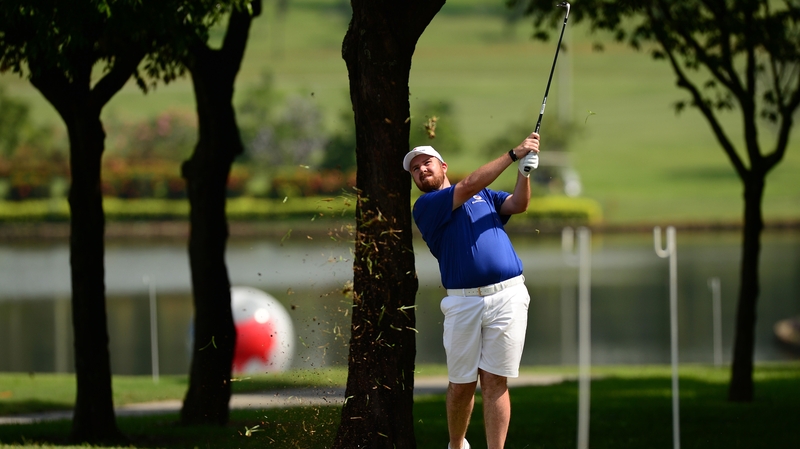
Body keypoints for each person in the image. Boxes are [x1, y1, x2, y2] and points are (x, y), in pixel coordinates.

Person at [403, 133, 540, 449]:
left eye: (426, 163)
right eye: (415, 169)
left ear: (443, 166)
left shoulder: (485, 196)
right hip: (463, 303)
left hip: (508, 296)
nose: (421, 170)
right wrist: (514, 154)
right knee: (462, 383)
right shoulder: (426, 206)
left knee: (495, 381)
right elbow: (466, 186)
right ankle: (456, 445)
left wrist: (524, 172)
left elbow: (518, 204)